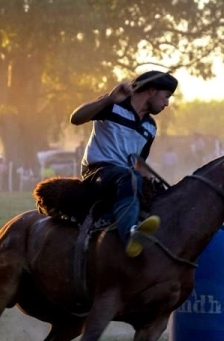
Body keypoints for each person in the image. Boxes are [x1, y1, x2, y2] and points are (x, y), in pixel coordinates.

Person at [70, 70, 177, 257]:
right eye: (166, 96)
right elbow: (76, 118)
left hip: (128, 177)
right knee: (129, 176)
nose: (167, 103)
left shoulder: (151, 126)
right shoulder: (112, 106)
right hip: (98, 173)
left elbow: (140, 164)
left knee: (162, 195)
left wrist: (153, 187)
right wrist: (108, 99)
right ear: (152, 90)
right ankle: (130, 236)